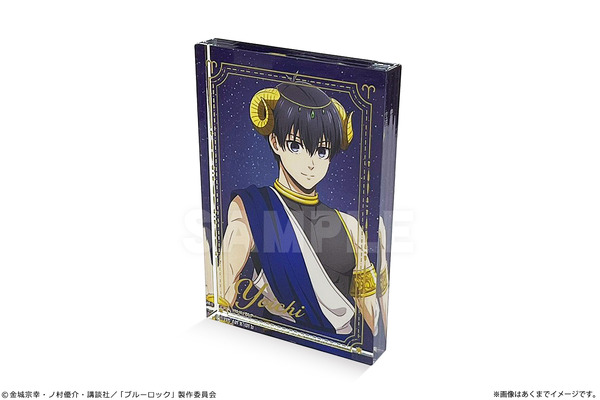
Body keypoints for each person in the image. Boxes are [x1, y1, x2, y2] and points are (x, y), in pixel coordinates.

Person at [217, 81, 381, 337]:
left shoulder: (350, 226)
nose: (311, 163)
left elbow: (371, 307)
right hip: (277, 340)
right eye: (296, 146)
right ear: (275, 142)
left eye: (322, 151)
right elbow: (223, 288)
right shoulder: (251, 208)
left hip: (342, 343)